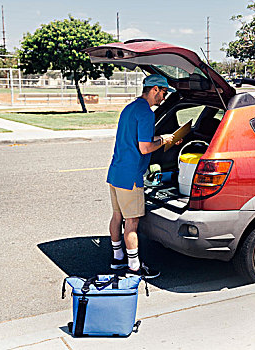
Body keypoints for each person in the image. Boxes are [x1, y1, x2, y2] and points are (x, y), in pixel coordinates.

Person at [107, 74, 176, 278]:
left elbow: (136, 139)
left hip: (116, 172)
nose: (163, 98)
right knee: (132, 223)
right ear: (154, 89)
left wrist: (164, 138)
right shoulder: (146, 113)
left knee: (117, 216)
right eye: (163, 92)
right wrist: (163, 141)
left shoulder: (130, 108)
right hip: (132, 177)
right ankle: (134, 268)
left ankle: (117, 258)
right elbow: (145, 148)